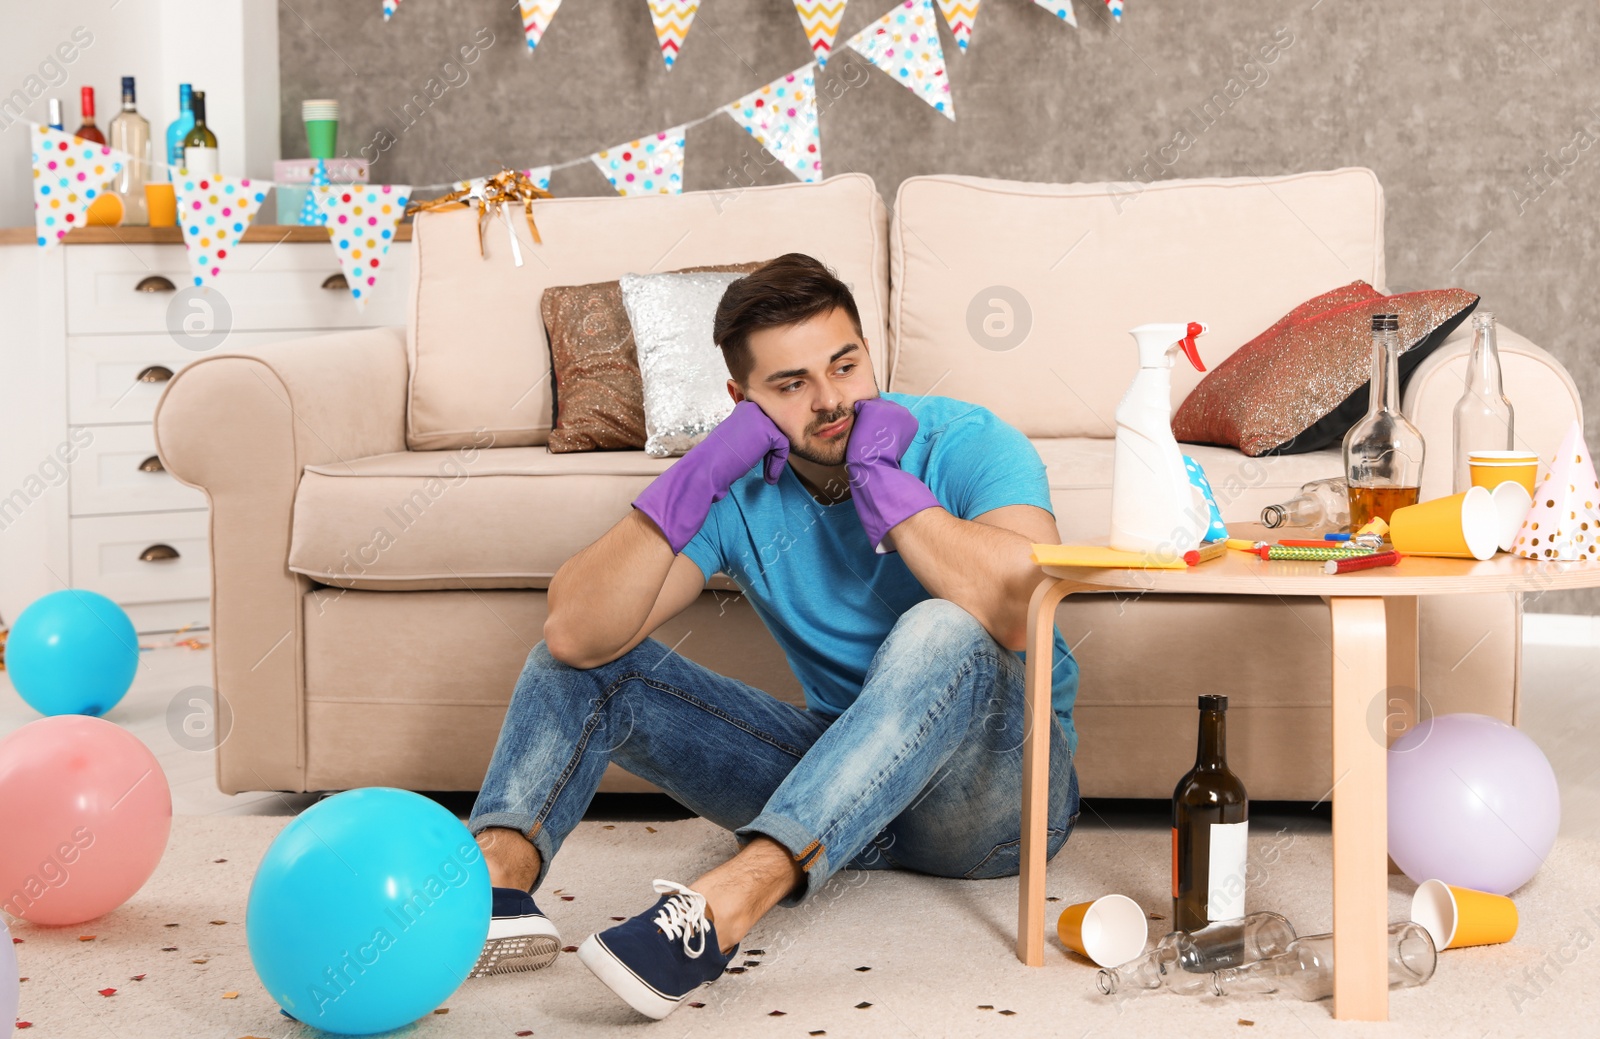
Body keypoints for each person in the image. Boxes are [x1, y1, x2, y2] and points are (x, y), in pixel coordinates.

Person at [465, 252, 1081, 1020]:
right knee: (585, 667)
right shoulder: (740, 479)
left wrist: (881, 478)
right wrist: (702, 471)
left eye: (845, 366)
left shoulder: (966, 440)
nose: (831, 401)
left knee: (943, 622)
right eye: (791, 385)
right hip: (840, 790)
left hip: (996, 802)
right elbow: (575, 633)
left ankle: (726, 904)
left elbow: (1018, 610)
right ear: (742, 401)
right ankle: (492, 891)